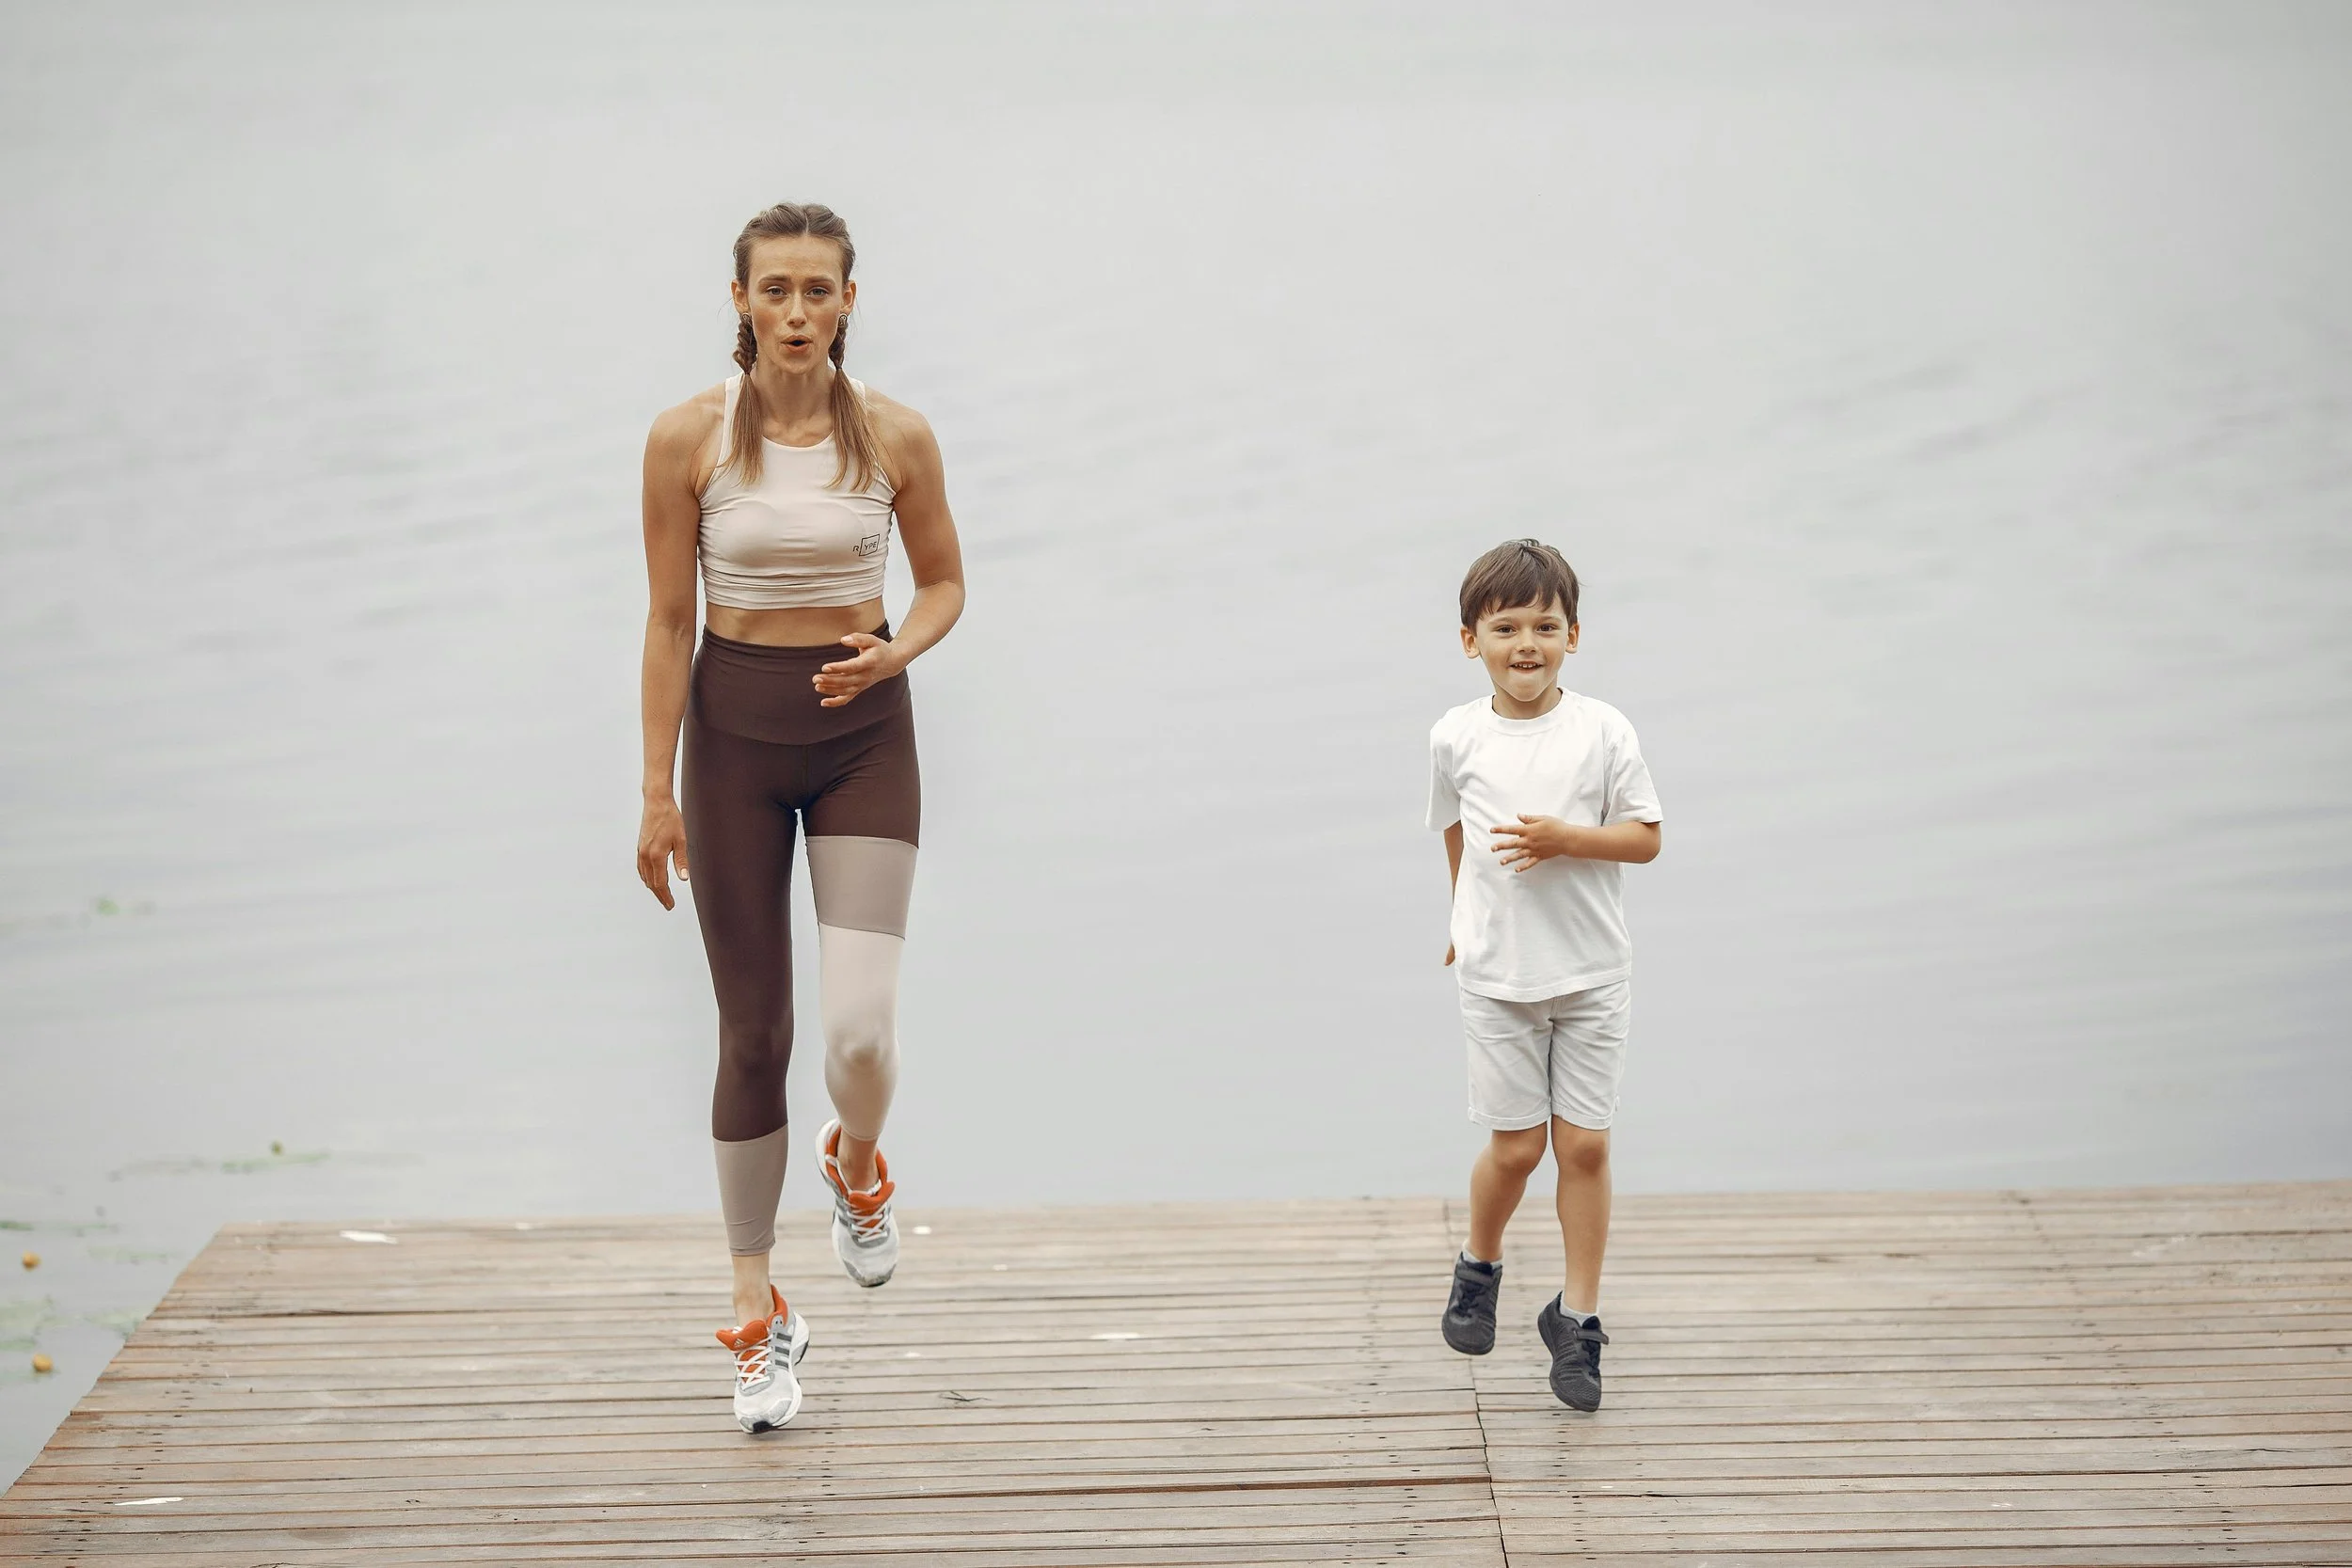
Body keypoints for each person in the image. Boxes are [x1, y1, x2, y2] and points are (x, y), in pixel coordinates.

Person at [635, 202, 966, 1433]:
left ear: (848, 300)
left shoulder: (894, 436)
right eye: (773, 289)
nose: (794, 311)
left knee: (861, 1039)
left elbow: (942, 583)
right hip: (730, 744)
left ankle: (857, 1165)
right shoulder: (687, 441)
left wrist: (895, 654)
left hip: (864, 736)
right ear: (739, 299)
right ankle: (755, 1316)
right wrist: (654, 789)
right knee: (751, 1032)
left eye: (816, 290)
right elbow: (671, 622)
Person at [1425, 539, 1661, 1411]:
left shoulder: (1604, 729)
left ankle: (1580, 1320)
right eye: (1506, 626)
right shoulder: (1455, 734)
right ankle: (1479, 1262)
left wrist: (1569, 839)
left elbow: (1645, 836)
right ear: (1469, 640)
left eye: (1546, 625)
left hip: (1593, 970)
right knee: (1519, 1148)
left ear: (1573, 635)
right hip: (1497, 976)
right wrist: (1460, 915)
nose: (1527, 642)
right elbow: (1454, 828)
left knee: (1586, 1145)